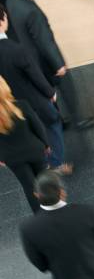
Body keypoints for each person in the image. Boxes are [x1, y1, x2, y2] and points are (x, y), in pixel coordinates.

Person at [6, 0, 93, 131]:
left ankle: (58, 120)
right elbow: (43, 39)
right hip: (45, 59)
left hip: (31, 58)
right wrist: (58, 63)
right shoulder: (30, 10)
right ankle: (79, 120)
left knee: (47, 92)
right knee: (67, 87)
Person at [0, 4, 69, 175]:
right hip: (33, 101)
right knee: (52, 124)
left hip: (7, 107)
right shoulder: (16, 49)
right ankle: (56, 163)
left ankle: (39, 163)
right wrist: (50, 93)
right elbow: (35, 76)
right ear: (2, 20)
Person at [0, 77, 49, 212]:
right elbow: (38, 127)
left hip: (12, 158)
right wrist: (46, 144)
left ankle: (41, 217)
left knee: (29, 187)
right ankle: (55, 208)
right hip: (34, 150)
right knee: (45, 181)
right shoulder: (21, 105)